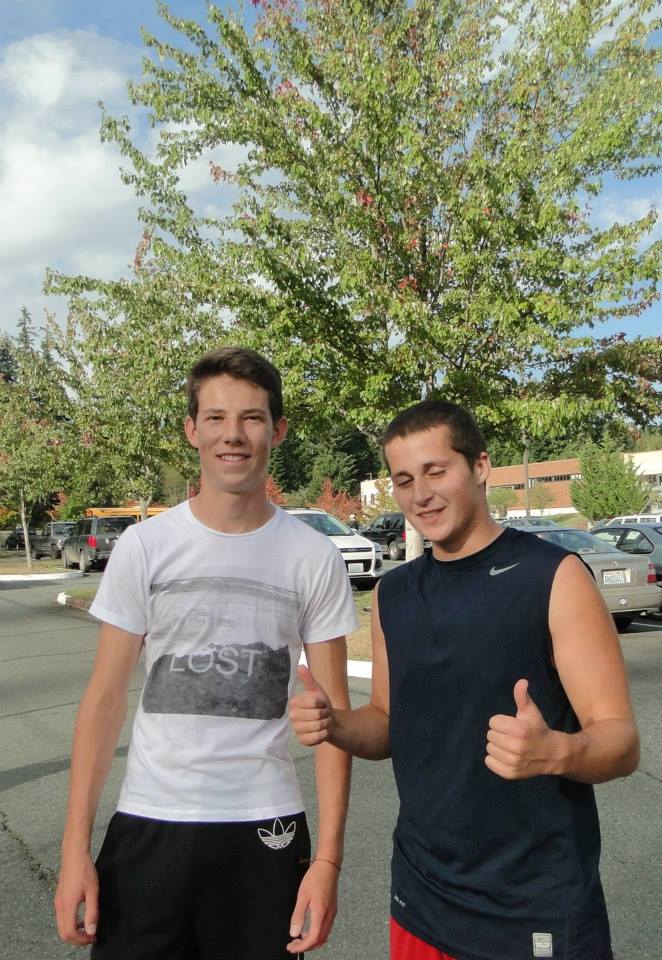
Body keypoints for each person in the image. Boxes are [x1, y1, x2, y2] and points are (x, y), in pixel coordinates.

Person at [290, 399, 639, 960]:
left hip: (533, 906)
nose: (421, 495)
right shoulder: (394, 594)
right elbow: (385, 724)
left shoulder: (553, 577)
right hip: (420, 898)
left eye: (436, 471)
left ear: (480, 466)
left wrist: (557, 751)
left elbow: (621, 741)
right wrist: (336, 724)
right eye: (405, 480)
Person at [55, 346, 358, 959]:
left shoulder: (313, 557)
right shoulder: (145, 547)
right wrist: (73, 851)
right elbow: (105, 701)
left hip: (266, 827)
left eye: (251, 418)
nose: (233, 435)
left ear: (278, 430)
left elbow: (336, 721)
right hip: (150, 823)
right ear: (192, 430)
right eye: (216, 417)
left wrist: (327, 861)